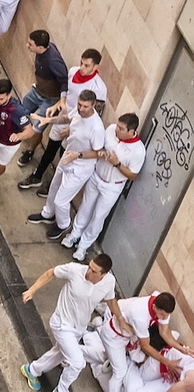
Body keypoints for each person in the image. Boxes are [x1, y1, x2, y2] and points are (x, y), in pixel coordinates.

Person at [21, 254, 118, 392]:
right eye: (89, 267)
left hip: (79, 327)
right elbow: (51, 273)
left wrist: (119, 318)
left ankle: (32, 370)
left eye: (94, 271)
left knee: (59, 353)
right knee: (77, 362)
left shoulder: (109, 282)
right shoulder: (74, 270)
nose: (89, 272)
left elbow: (111, 300)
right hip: (62, 324)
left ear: (103, 274)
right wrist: (31, 291)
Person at [98, 292, 190, 392]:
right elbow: (146, 347)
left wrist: (181, 349)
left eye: (167, 315)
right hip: (114, 337)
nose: (165, 318)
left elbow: (165, 332)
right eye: (163, 315)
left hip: (127, 338)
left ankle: (114, 362)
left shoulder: (161, 308)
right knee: (120, 372)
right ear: (154, 307)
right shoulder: (140, 315)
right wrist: (167, 362)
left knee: (122, 366)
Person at [18, 48, 106, 192]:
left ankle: (53, 185)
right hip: (63, 116)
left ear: (96, 67)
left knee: (64, 156)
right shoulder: (72, 72)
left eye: (87, 65)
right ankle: (37, 176)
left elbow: (96, 113)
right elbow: (65, 91)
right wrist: (58, 104)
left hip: (76, 126)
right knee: (51, 148)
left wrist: (73, 128)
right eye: (82, 63)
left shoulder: (99, 88)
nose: (82, 68)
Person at [66, 112, 146, 263]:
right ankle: (74, 234)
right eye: (118, 126)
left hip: (112, 186)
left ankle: (83, 246)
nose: (117, 130)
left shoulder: (138, 150)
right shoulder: (110, 130)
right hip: (97, 176)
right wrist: (101, 151)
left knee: (98, 216)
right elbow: (99, 146)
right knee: (85, 207)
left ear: (131, 131)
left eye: (122, 129)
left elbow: (133, 175)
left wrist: (116, 163)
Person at [25, 88, 104, 241]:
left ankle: (63, 224)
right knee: (54, 187)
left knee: (61, 200)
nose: (81, 108)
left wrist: (78, 155)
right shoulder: (78, 112)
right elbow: (67, 118)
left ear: (93, 105)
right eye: (80, 104)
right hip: (68, 155)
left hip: (81, 166)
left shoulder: (96, 128)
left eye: (85, 106)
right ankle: (47, 213)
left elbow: (98, 152)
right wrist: (47, 120)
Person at [16, 31, 71, 167]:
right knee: (20, 112)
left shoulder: (54, 62)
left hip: (50, 100)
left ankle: (29, 151)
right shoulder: (43, 50)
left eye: (30, 44)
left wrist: (62, 99)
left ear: (40, 47)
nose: (27, 45)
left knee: (37, 128)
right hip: (36, 91)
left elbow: (65, 81)